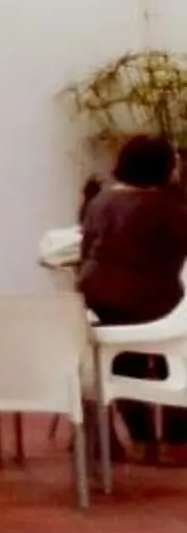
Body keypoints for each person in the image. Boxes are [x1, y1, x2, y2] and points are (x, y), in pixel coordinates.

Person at [78, 135, 187, 446]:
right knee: (177, 347)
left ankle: (141, 432)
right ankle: (177, 432)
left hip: (96, 296)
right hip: (149, 300)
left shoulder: (100, 202)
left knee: (124, 358)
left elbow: (87, 249)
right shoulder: (164, 207)